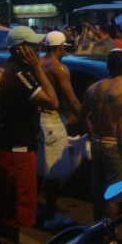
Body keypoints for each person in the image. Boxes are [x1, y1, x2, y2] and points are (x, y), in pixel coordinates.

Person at [0, 26, 58, 244]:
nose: (38, 49)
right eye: (33, 46)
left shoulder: (14, 70)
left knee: (9, 214)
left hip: (11, 149)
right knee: (14, 217)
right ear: (21, 50)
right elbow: (52, 102)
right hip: (16, 153)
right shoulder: (19, 74)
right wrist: (38, 69)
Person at [80, 49, 122, 220]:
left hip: (97, 142)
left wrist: (92, 134)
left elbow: (82, 117)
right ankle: (107, 235)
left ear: (108, 66)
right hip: (115, 146)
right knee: (115, 192)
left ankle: (95, 228)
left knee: (98, 188)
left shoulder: (93, 89)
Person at [38, 31, 81, 229]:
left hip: (38, 119)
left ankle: (38, 211)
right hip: (52, 121)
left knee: (40, 171)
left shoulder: (38, 64)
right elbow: (71, 99)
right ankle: (50, 217)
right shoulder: (59, 68)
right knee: (53, 174)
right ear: (61, 47)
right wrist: (86, 118)